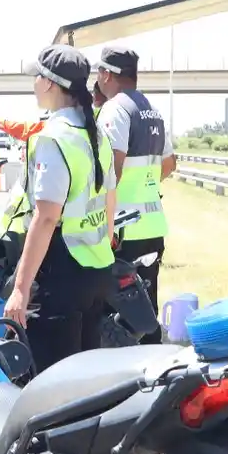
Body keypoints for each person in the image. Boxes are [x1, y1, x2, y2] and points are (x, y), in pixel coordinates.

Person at [0, 45, 117, 372]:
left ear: (50, 83)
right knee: (85, 379)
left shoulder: (53, 138)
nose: (34, 83)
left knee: (51, 387)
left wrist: (20, 290)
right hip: (97, 269)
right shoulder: (97, 135)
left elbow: (46, 217)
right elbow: (110, 200)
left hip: (62, 276)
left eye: (37, 77)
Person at [94, 43, 176, 312]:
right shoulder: (152, 109)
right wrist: (144, 186)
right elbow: (169, 163)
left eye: (98, 72)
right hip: (152, 226)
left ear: (107, 75)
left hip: (123, 228)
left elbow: (111, 172)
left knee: (118, 316)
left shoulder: (115, 109)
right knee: (146, 308)